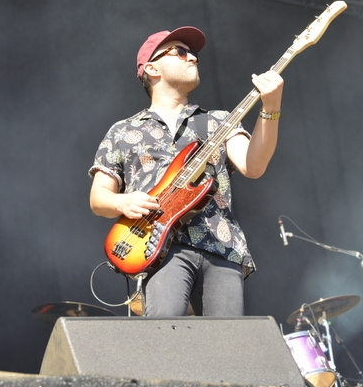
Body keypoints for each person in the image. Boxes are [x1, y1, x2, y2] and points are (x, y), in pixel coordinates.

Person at [88, 26, 283, 317]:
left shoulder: (218, 121)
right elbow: (98, 198)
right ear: (151, 68)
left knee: (228, 340)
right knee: (168, 334)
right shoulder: (122, 131)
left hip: (221, 245)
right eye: (180, 52)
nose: (192, 57)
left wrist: (271, 106)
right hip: (159, 246)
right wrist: (123, 202)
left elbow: (253, 166)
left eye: (193, 54)